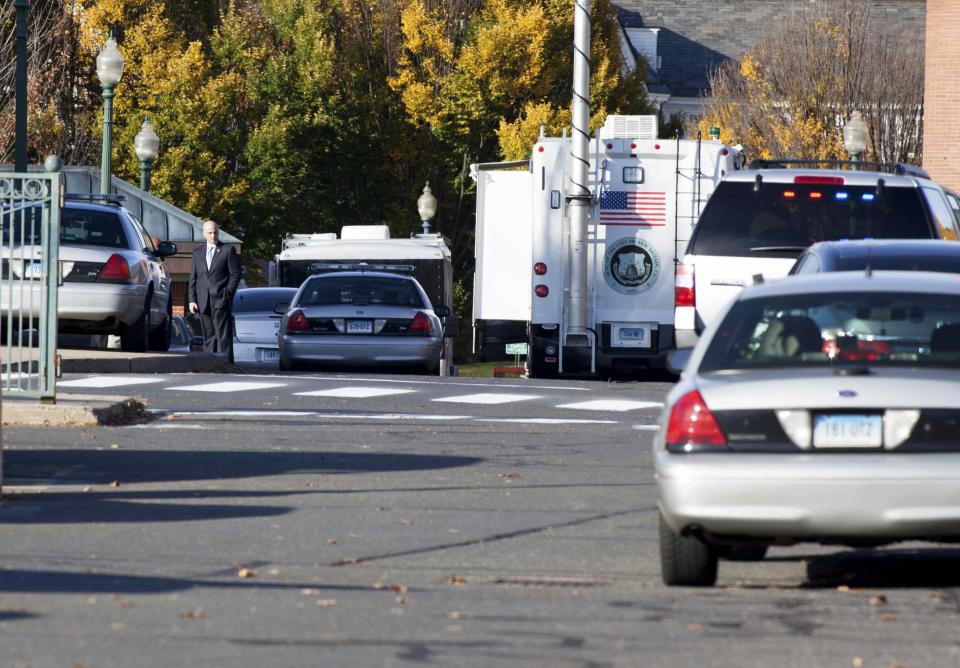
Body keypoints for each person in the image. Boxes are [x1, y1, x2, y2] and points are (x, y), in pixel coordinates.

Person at [189, 220, 241, 361]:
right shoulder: (197, 253)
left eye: (215, 232)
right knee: (209, 336)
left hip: (220, 299)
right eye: (210, 233)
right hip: (202, 301)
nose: (213, 235)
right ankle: (210, 365)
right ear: (204, 234)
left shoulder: (227, 250)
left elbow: (235, 275)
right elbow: (193, 278)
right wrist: (192, 300)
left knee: (223, 337)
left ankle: (227, 365)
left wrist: (226, 293)